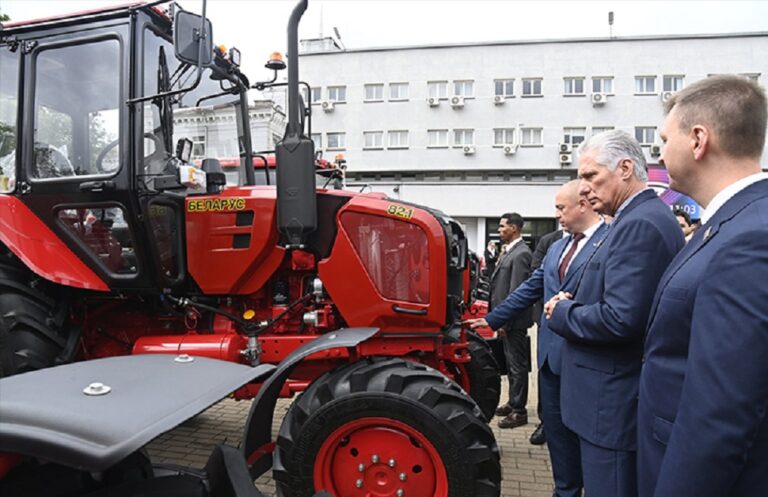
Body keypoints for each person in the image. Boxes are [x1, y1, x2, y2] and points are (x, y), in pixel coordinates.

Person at [638, 75, 768, 497]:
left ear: (698, 140)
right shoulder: (735, 221)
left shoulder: (750, 236)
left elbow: (720, 415)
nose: (660, 154)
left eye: (664, 140)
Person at [543, 130, 684, 497]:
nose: (583, 189)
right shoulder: (632, 219)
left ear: (624, 169)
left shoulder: (639, 224)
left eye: (590, 176)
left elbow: (621, 319)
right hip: (605, 404)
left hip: (611, 407)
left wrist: (563, 311)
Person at [468, 180, 606, 497]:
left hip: (585, 359)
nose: (556, 215)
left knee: (586, 439)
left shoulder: (610, 241)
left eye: (561, 208)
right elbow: (531, 287)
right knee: (557, 437)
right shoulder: (556, 247)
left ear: (583, 204)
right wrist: (492, 319)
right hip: (550, 359)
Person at [489, 212, 533, 429]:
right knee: (510, 363)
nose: (499, 230)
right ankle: (512, 402)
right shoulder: (510, 251)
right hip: (506, 319)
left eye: (502, 226)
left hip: (513, 322)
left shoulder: (522, 254)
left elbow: (517, 291)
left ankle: (519, 411)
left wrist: (505, 322)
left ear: (514, 228)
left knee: (517, 365)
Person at [528, 227, 565, 446]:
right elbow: (536, 275)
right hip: (548, 318)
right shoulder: (551, 242)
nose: (559, 215)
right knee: (546, 372)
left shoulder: (603, 238)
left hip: (574, 320)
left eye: (562, 210)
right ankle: (546, 421)